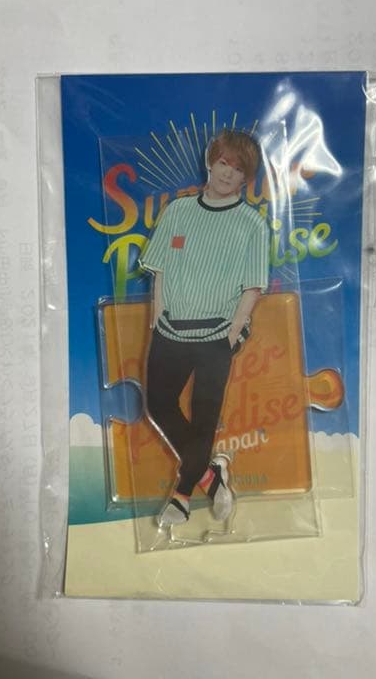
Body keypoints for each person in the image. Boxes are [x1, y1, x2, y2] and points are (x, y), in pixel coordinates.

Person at [140, 129, 269, 526]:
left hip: (217, 336)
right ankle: (212, 477)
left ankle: (181, 497)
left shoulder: (252, 224)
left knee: (203, 417)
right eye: (224, 163)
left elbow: (253, 287)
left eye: (238, 169)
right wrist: (157, 314)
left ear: (246, 178)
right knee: (158, 404)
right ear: (210, 162)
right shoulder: (177, 211)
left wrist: (231, 334)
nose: (228, 173)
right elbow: (160, 270)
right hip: (170, 330)